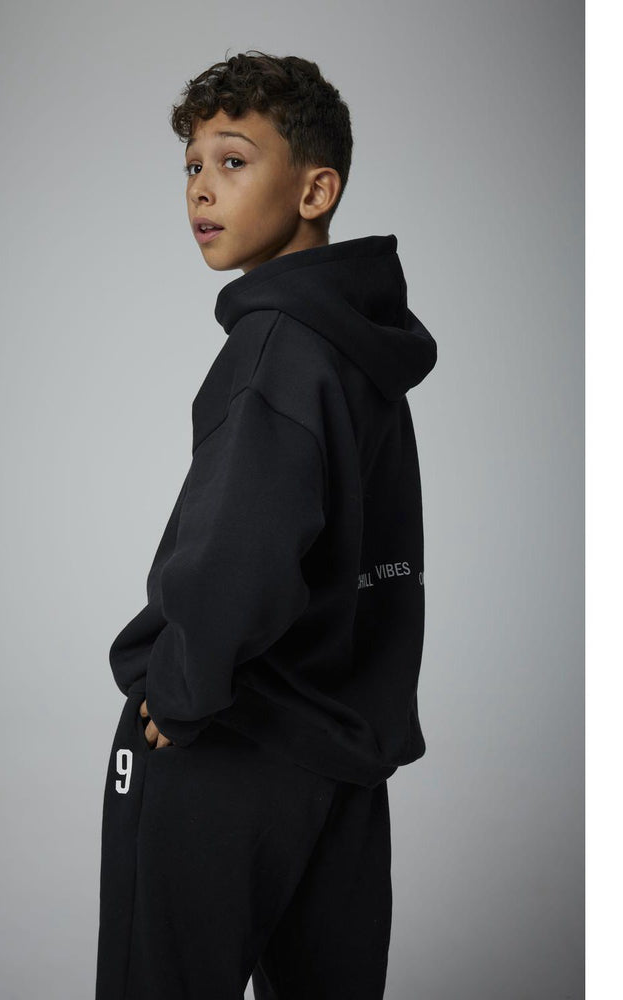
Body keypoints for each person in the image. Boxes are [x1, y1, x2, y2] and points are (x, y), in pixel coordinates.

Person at [95, 50, 437, 1000]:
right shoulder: (361, 352)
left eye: (234, 161)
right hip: (343, 753)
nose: (201, 190)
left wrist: (178, 691)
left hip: (226, 748)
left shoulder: (274, 347)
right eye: (192, 167)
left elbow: (239, 554)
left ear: (316, 189)